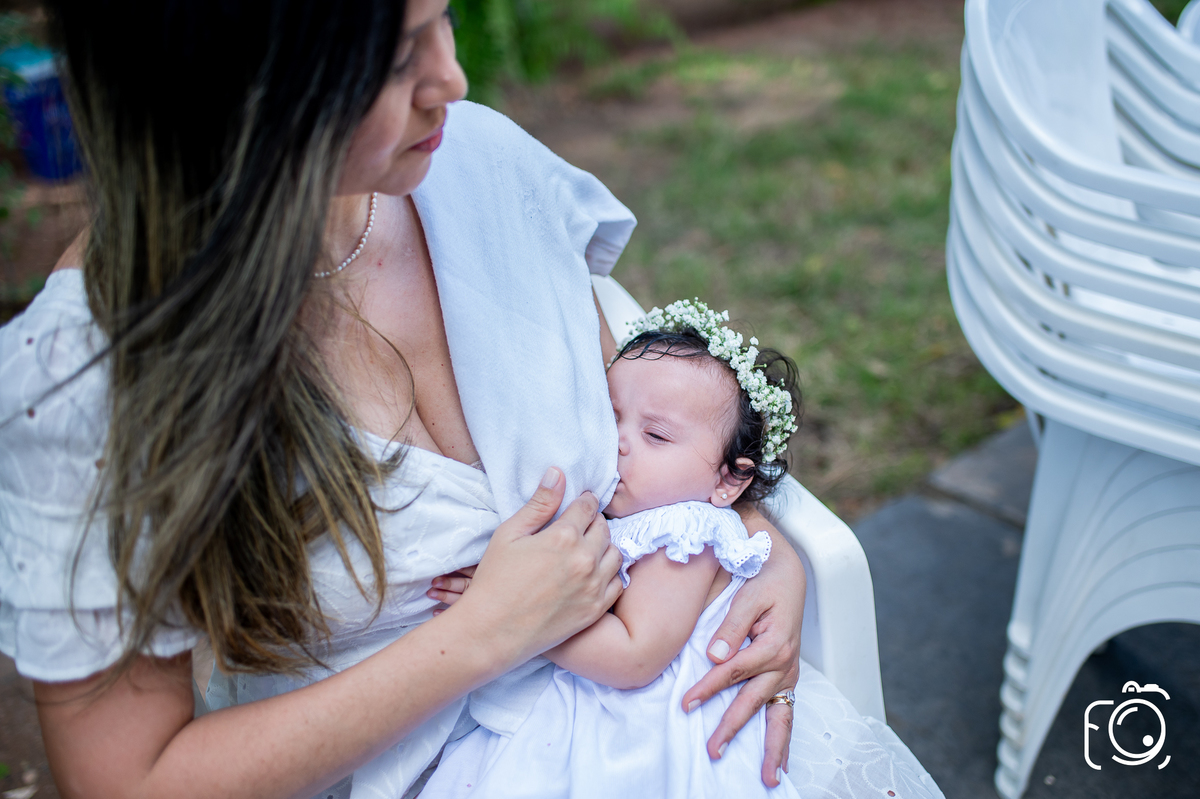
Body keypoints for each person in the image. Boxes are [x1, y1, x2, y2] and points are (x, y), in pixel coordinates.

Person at [0, 2, 812, 798]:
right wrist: (483, 634)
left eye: (444, 18)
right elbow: (125, 779)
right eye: (393, 60)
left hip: (670, 732)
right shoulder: (93, 370)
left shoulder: (481, 159)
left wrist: (758, 543)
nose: (450, 80)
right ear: (234, 85)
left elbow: (645, 424)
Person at [421, 302, 943, 798]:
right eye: (611, 416)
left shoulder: (686, 531)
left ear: (727, 483)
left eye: (655, 434)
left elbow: (634, 657)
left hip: (646, 730)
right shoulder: (632, 509)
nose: (618, 442)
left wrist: (514, 622)